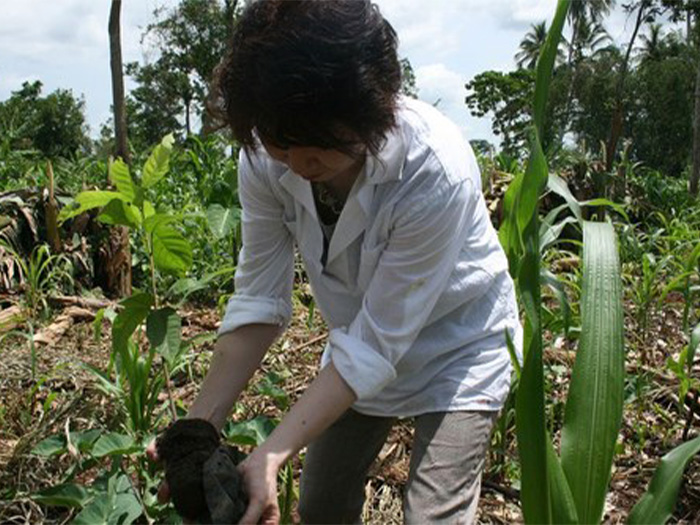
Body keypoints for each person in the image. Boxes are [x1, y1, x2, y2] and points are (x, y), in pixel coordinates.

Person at [150, 1, 521, 523]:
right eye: (282, 143)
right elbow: (260, 298)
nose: (300, 166)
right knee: (322, 506)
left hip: (456, 350)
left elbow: (378, 341)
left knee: (433, 515)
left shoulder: (434, 171)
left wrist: (273, 453)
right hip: (356, 349)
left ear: (373, 109)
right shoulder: (263, 156)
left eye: (319, 144)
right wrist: (196, 430)